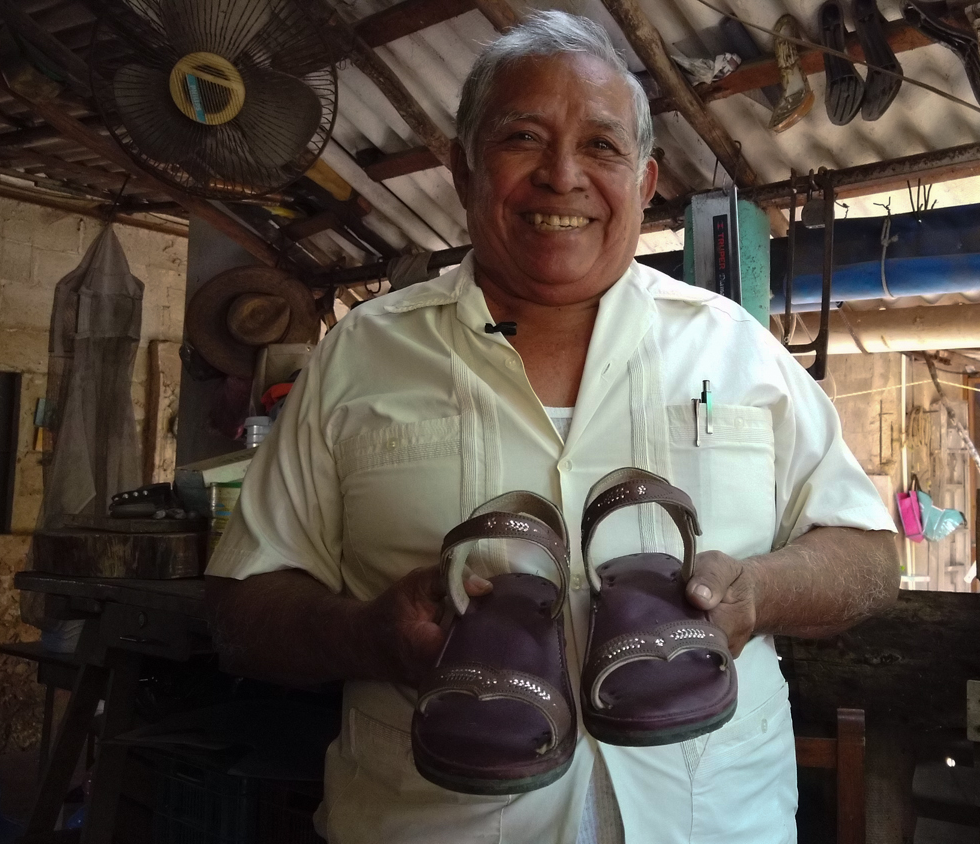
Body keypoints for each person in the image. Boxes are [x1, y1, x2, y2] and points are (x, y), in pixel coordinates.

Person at [205, 11, 900, 844]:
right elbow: (242, 607)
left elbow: (870, 556)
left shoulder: (737, 346)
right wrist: (365, 636)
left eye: (602, 147)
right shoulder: (359, 355)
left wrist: (760, 593)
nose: (562, 176)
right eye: (522, 139)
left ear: (644, 186)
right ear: (464, 173)